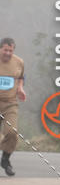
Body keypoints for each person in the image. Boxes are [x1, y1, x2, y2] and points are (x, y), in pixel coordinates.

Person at [0, 38, 26, 176]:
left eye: (11, 50)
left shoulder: (18, 62)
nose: (8, 53)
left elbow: (21, 77)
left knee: (12, 132)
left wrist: (20, 88)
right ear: (0, 49)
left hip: (10, 103)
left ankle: (5, 159)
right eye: (5, 50)